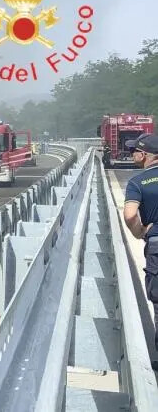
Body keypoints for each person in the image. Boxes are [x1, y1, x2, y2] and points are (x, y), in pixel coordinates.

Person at [122, 133, 158, 370]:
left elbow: (130, 215)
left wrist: (140, 232)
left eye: (134, 150)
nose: (131, 154)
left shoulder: (138, 182)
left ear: (145, 154)